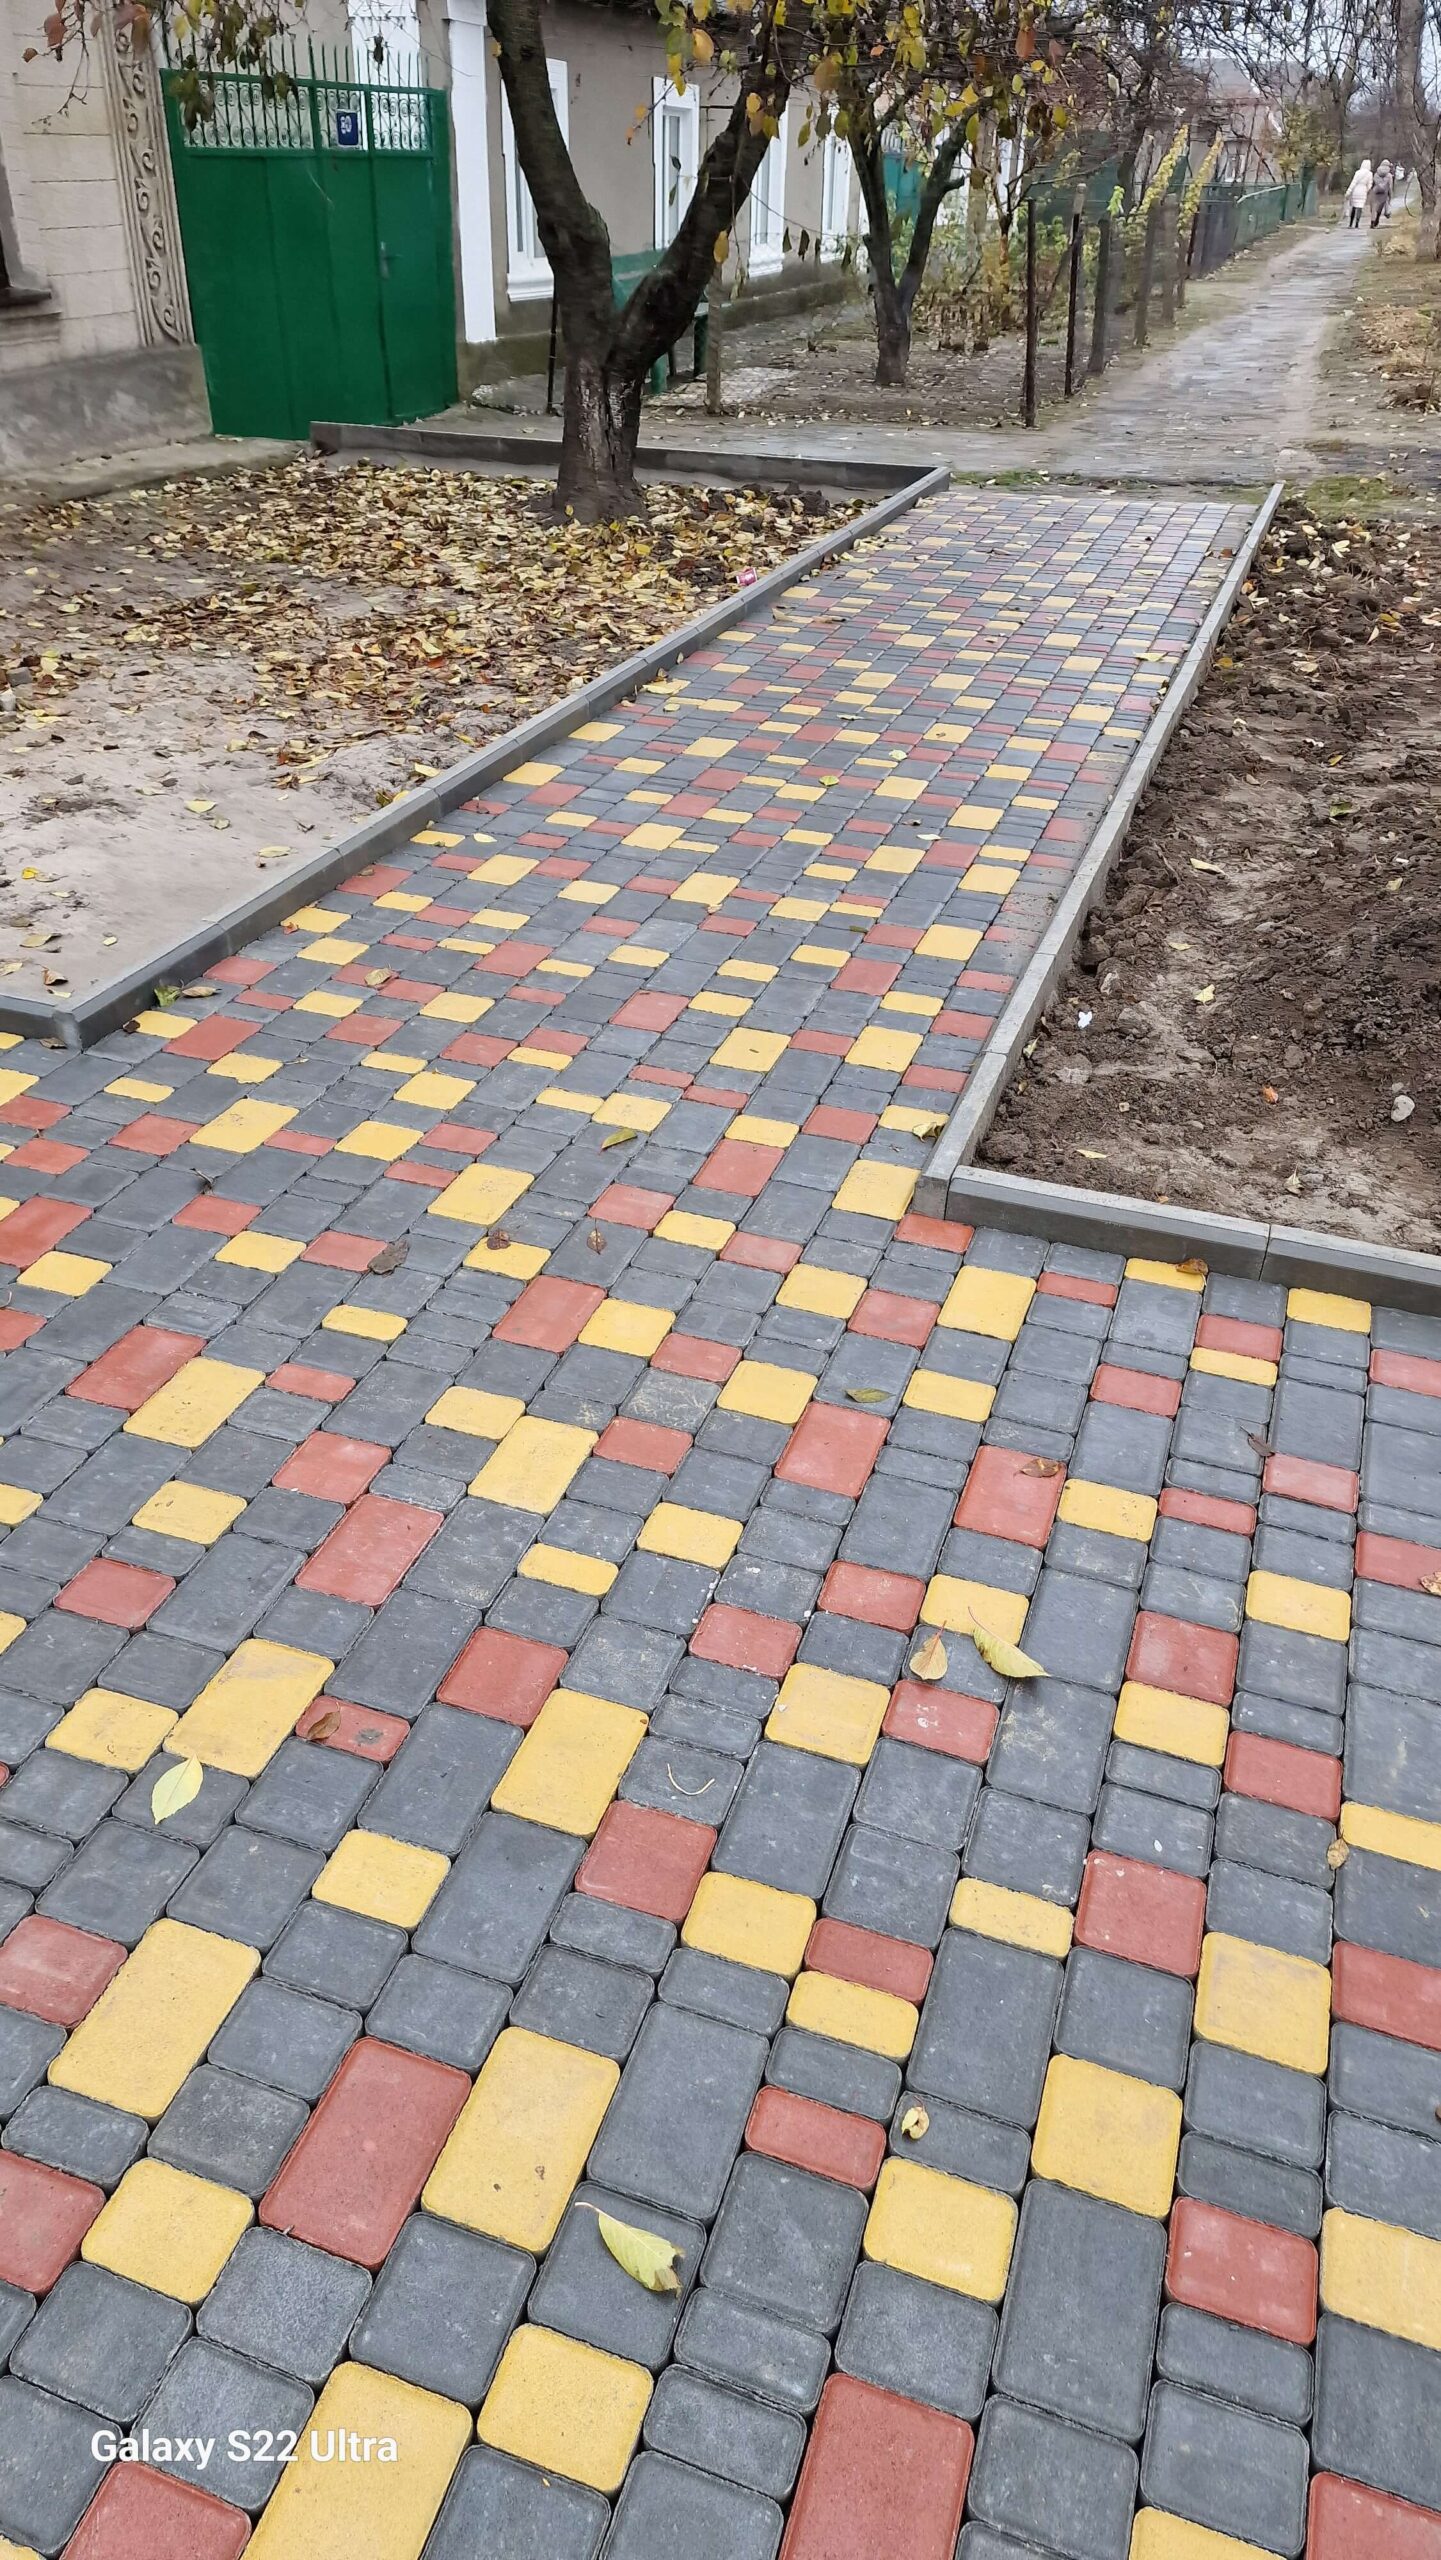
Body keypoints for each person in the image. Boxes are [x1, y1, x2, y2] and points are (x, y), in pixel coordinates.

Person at [1346, 159, 1372, 228]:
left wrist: (1348, 191)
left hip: (1356, 190)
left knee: (1354, 206)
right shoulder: (1369, 174)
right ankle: (1357, 224)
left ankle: (1350, 223)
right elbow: (1369, 185)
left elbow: (1353, 182)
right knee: (1360, 207)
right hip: (1363, 191)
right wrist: (1366, 190)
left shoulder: (1357, 172)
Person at [1369, 159, 1393, 226]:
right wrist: (1390, 196)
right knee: (1381, 206)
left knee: (1374, 206)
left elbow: (1373, 183)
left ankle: (1372, 221)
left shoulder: (1376, 174)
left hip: (1376, 191)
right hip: (1384, 193)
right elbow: (1390, 187)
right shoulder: (1389, 175)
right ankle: (1378, 218)